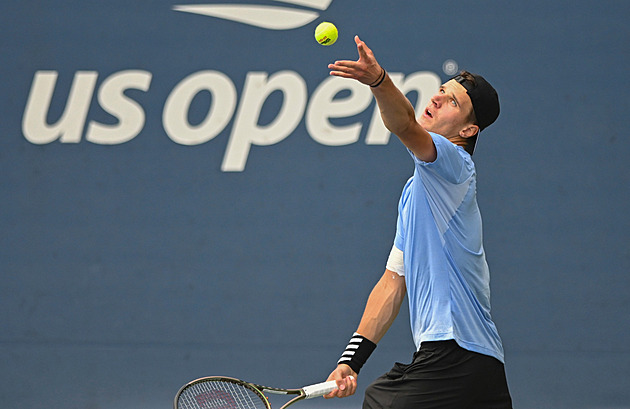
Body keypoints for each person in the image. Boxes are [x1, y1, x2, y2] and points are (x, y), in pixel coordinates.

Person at [323, 36, 513, 408]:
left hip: (456, 353)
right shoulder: (416, 193)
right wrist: (351, 361)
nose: (437, 98)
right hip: (478, 365)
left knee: (383, 401)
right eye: (441, 90)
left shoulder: (455, 165)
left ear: (468, 131)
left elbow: (405, 125)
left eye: (452, 101)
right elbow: (394, 282)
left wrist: (379, 82)